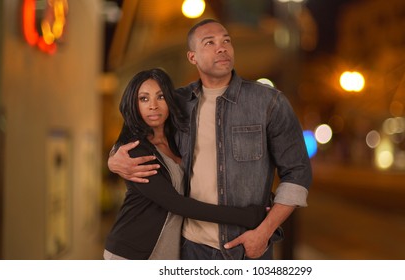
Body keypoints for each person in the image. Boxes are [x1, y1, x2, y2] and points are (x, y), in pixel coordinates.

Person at [108, 19, 312, 260]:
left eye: (226, 40)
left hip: (247, 248)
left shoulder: (269, 103)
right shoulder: (177, 103)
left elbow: (298, 172)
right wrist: (113, 158)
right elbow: (137, 126)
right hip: (190, 247)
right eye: (210, 43)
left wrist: (264, 231)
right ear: (192, 57)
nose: (222, 47)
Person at [104, 68, 266, 260]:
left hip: (165, 251)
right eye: (144, 99)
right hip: (130, 253)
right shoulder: (135, 151)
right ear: (134, 104)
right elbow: (177, 204)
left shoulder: (175, 139)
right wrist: (247, 216)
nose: (153, 106)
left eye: (161, 97)